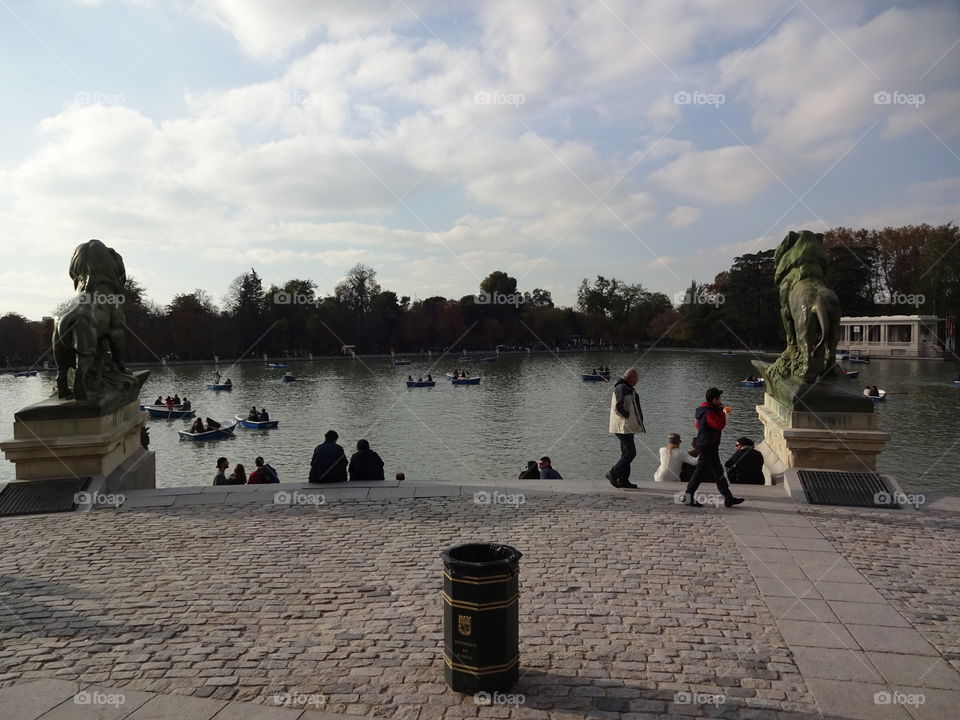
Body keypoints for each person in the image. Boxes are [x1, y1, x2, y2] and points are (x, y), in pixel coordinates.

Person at [682, 388, 744, 508]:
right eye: (719, 398)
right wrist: (723, 412)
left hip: (710, 444)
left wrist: (719, 410)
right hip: (707, 445)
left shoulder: (706, 410)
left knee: (718, 472)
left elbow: (698, 425)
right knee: (700, 471)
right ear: (714, 399)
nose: (721, 400)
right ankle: (687, 496)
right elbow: (719, 425)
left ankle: (728, 497)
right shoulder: (708, 412)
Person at [606, 368, 645, 489]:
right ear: (631, 378)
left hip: (626, 427)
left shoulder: (627, 388)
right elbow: (619, 407)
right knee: (630, 453)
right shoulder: (621, 388)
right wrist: (627, 416)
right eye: (636, 378)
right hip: (622, 426)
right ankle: (613, 473)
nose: (637, 381)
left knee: (625, 454)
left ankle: (623, 480)